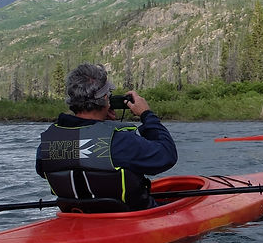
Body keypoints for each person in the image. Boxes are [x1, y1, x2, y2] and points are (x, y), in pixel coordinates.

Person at [36, 62, 178, 212]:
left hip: (76, 216)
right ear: (105, 98)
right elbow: (166, 155)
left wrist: (101, 125)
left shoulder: (48, 143)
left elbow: (44, 170)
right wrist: (147, 114)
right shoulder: (121, 142)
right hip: (129, 217)